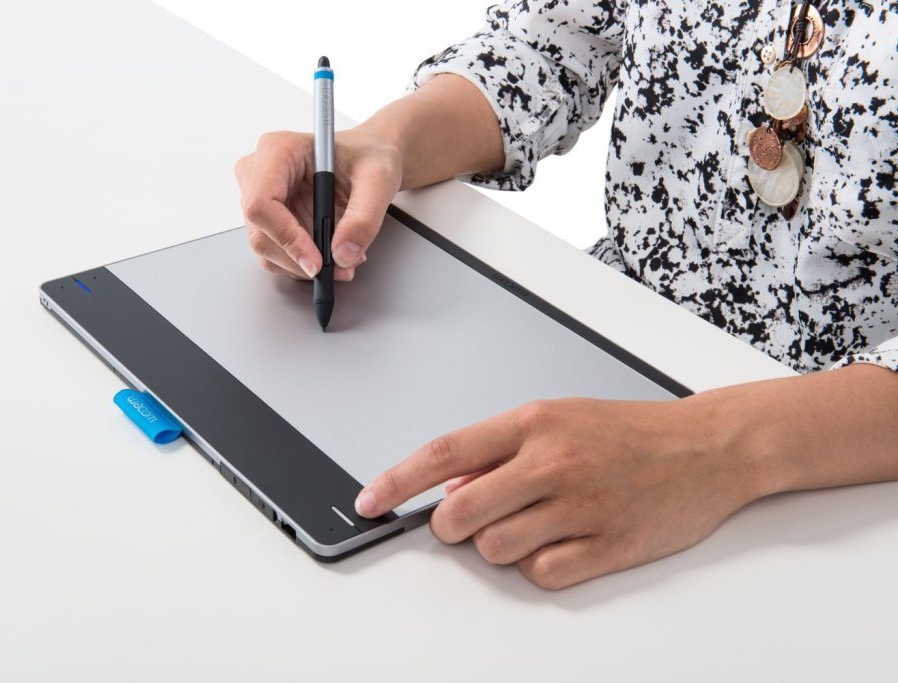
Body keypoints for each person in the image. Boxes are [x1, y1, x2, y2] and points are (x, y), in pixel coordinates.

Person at [234, 0, 898, 589]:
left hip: (845, 462)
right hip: (602, 339)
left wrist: (713, 447)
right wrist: (387, 142)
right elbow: (550, 45)